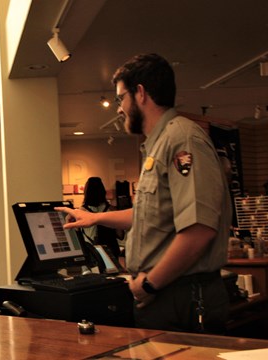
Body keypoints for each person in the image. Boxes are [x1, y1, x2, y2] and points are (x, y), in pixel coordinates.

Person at [56, 53, 232, 334]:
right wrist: (95, 218)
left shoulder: (182, 140)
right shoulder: (160, 144)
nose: (118, 109)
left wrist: (148, 283)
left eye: (120, 98)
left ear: (140, 93)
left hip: (181, 296)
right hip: (164, 294)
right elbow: (151, 215)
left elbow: (199, 228)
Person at [79, 177, 123, 259]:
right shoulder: (111, 209)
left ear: (87, 192)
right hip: (111, 249)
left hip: (92, 250)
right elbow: (120, 234)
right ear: (102, 191)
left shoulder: (82, 211)